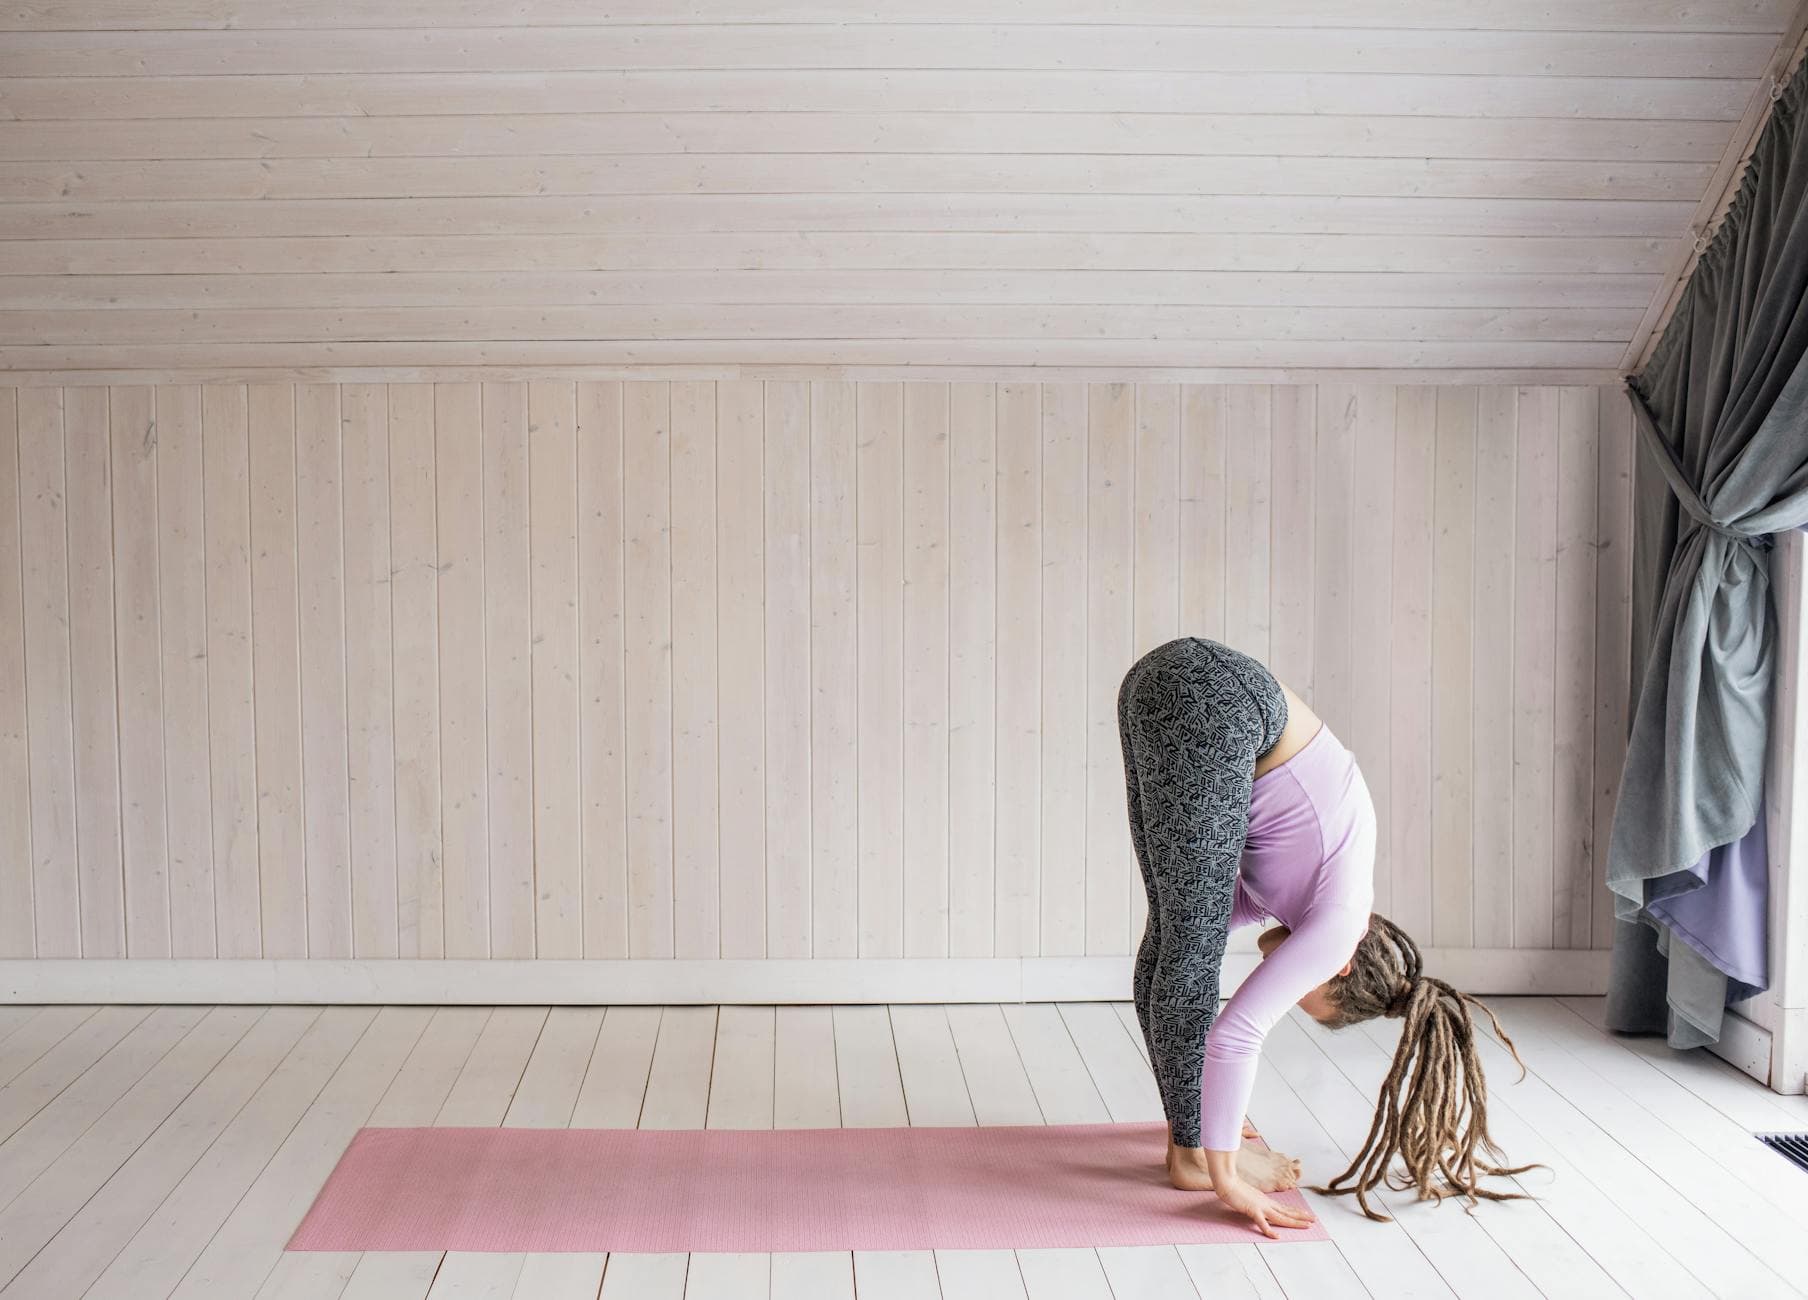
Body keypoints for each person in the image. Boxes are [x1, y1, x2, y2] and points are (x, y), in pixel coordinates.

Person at [1117, 635, 1534, 1236]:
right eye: (1300, 987)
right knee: (1187, 949)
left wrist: (1219, 1128)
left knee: (1174, 936)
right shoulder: (1338, 925)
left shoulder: (1299, 892)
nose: (1281, 981)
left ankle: (1190, 1143)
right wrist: (1229, 1176)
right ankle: (1195, 1157)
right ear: (1338, 967)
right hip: (1217, 698)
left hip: (1166, 682)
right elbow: (1237, 1034)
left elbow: (1192, 921)